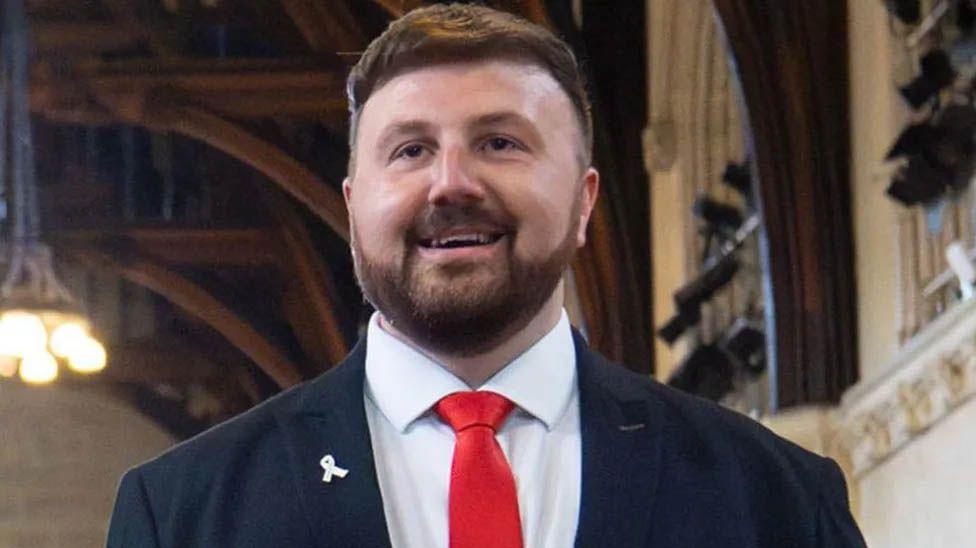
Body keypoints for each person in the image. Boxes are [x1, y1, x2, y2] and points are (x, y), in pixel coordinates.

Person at [107, 4, 867, 547]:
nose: (451, 183)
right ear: (353, 203)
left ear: (583, 200)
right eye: (409, 150)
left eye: (500, 142)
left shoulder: (774, 497)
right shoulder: (182, 512)